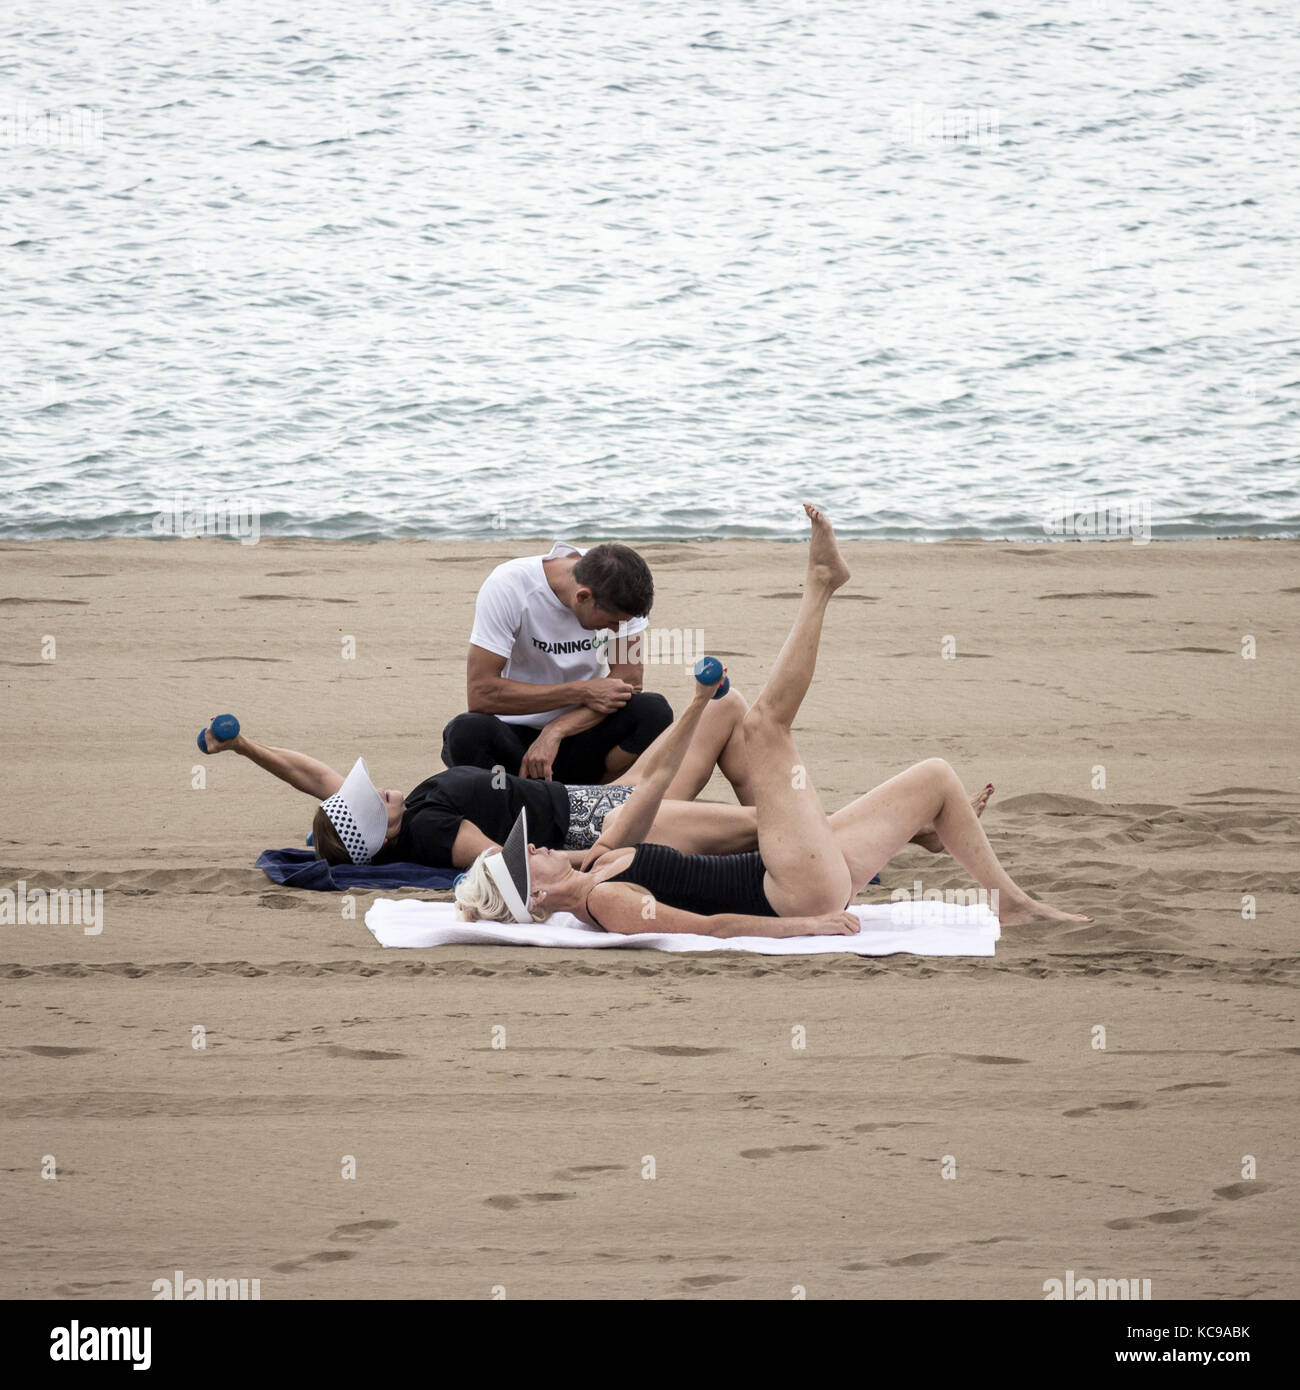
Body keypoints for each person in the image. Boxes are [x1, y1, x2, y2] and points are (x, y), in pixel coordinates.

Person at [455, 504, 1092, 935]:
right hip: (792, 893)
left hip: (799, 875)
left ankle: (1011, 902)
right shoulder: (603, 901)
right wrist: (806, 929)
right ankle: (820, 585)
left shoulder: (595, 860)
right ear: (534, 898)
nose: (532, 845)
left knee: (934, 779)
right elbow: (712, 930)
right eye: (523, 858)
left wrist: (702, 703)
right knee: (766, 729)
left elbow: (649, 789)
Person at [195, 684, 760, 870]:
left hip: (599, 796)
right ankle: (805, 859)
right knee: (764, 824)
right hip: (607, 820)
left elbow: (311, 774)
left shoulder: (411, 807)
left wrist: (244, 746)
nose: (383, 791)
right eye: (377, 804)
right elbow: (506, 863)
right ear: (383, 835)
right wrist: (590, 857)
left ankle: (790, 856)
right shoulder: (430, 828)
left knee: (726, 705)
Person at [440, 540, 673, 784]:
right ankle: (510, 803)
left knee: (653, 711)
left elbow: (630, 681)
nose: (617, 630)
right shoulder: (509, 586)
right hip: (514, 737)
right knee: (465, 732)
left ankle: (591, 799)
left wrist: (556, 730)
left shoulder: (621, 587)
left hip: (582, 732)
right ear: (583, 596)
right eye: (613, 622)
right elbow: (481, 694)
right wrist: (582, 692)